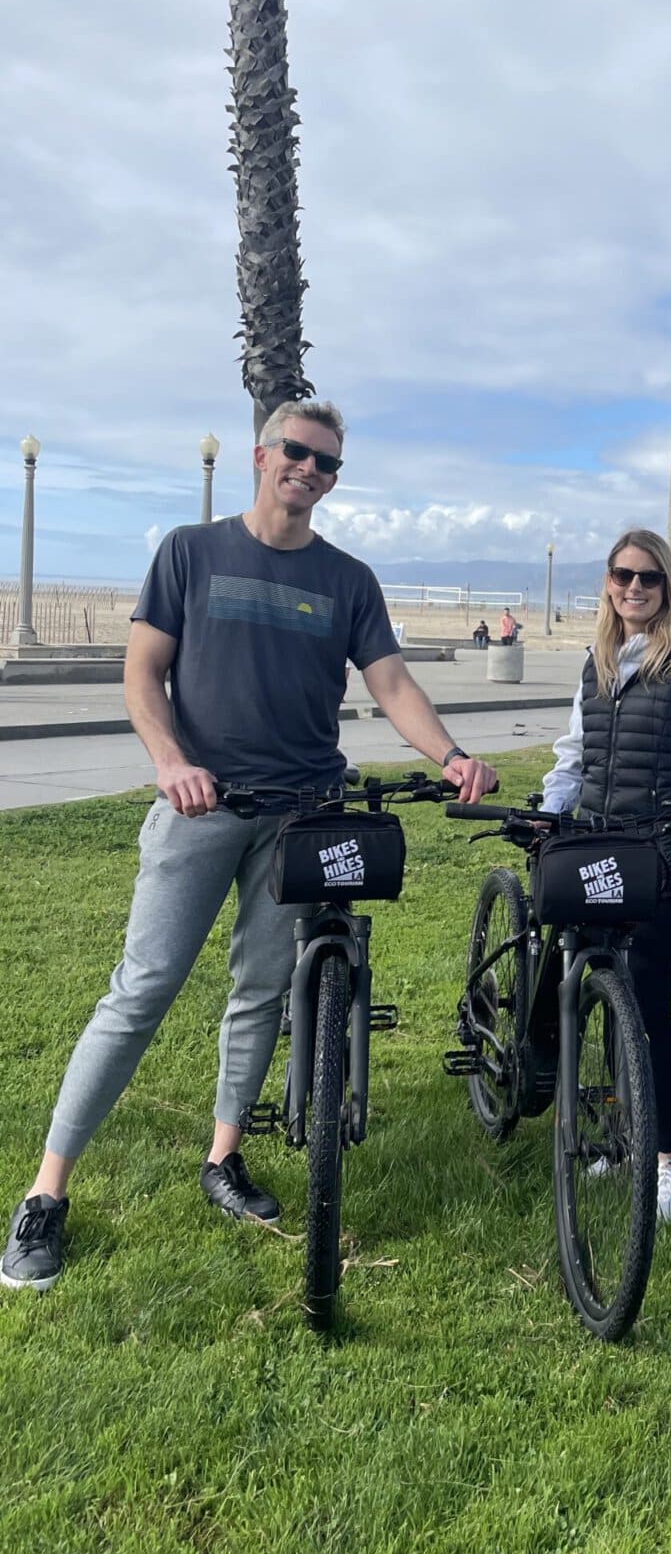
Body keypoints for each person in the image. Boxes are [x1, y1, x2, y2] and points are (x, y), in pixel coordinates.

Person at [2, 400, 499, 1294]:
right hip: (200, 809)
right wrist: (170, 762)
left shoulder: (348, 579)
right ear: (262, 457)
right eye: (298, 454)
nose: (310, 471)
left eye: (329, 464)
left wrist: (454, 754)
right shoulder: (189, 554)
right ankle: (46, 1192)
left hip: (301, 817)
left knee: (261, 989)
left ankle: (225, 1156)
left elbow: (391, 681)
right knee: (141, 991)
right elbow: (141, 672)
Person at [542, 529, 671, 1224]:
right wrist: (550, 809)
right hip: (596, 849)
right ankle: (615, 1132)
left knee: (647, 1004)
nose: (635, 588)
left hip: (662, 855)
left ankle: (667, 1157)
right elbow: (574, 754)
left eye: (649, 579)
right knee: (598, 987)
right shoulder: (597, 660)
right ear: (607, 582)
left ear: (667, 587)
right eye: (623, 576)